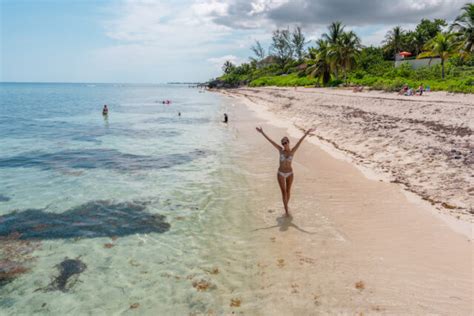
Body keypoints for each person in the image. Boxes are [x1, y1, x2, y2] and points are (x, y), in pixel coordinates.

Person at [256, 127, 315, 216]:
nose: (284, 144)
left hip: (290, 173)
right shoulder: (280, 150)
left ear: (288, 142)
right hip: (281, 173)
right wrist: (262, 132)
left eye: (285, 142)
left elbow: (300, 142)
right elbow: (271, 141)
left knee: (288, 191)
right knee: (283, 192)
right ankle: (286, 211)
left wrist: (306, 133)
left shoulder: (292, 151)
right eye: (283, 143)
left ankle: (285, 205)